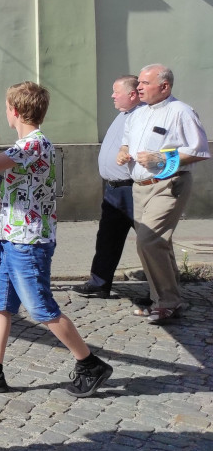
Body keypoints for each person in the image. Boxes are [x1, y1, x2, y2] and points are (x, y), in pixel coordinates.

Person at [0, 83, 113, 398]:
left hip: (29, 243)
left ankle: (90, 363)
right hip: (11, 236)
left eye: (6, 108)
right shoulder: (26, 147)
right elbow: (24, 185)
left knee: (41, 308)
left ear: (14, 111)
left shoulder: (33, 145)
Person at [118, 64, 209, 324]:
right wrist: (123, 151)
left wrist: (161, 157)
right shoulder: (137, 114)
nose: (139, 88)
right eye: (139, 84)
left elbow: (200, 150)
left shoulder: (181, 112)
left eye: (145, 83)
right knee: (159, 243)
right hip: (140, 188)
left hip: (169, 185)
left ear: (164, 86)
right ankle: (167, 301)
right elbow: (127, 141)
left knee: (148, 241)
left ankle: (167, 301)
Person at [72, 75, 142, 299]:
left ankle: (160, 292)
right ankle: (99, 283)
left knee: (149, 241)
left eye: (116, 91)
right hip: (114, 189)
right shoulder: (124, 114)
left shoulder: (142, 116)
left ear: (132, 94)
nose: (112, 95)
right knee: (107, 238)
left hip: (133, 188)